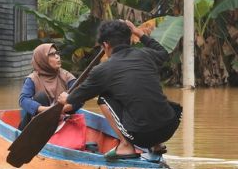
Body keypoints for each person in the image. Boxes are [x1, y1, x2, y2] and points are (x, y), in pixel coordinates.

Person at [59, 19, 182, 161]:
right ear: (130, 39)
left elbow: (76, 98)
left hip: (142, 136)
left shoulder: (102, 70)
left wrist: (65, 98)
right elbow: (163, 53)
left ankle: (125, 145)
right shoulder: (147, 55)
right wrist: (139, 32)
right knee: (143, 91)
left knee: (104, 98)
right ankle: (156, 145)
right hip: (169, 126)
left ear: (105, 45)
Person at [18, 43, 76, 130]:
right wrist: (47, 109)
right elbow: (23, 100)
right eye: (52, 54)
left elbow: (80, 95)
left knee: (72, 98)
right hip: (37, 124)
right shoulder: (32, 79)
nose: (57, 57)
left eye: (57, 53)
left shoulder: (66, 76)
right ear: (42, 59)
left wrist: (63, 108)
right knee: (40, 96)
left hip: (61, 119)